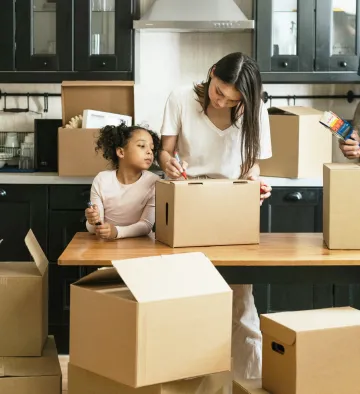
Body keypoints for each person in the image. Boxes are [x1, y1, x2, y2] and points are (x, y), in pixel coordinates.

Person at [158, 52, 272, 380]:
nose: (220, 102)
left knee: (241, 301)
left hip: (233, 207)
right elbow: (166, 151)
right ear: (211, 74)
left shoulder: (256, 109)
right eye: (218, 91)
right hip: (189, 202)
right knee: (188, 296)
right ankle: (186, 380)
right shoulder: (180, 97)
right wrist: (168, 163)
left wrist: (255, 183)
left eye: (231, 100)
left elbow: (253, 165)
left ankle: (247, 382)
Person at [85, 123, 161, 240]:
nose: (150, 152)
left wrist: (116, 232)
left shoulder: (155, 182)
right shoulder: (101, 180)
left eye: (152, 148)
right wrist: (92, 221)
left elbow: (146, 225)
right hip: (105, 245)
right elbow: (94, 228)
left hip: (141, 245)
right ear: (121, 152)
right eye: (141, 146)